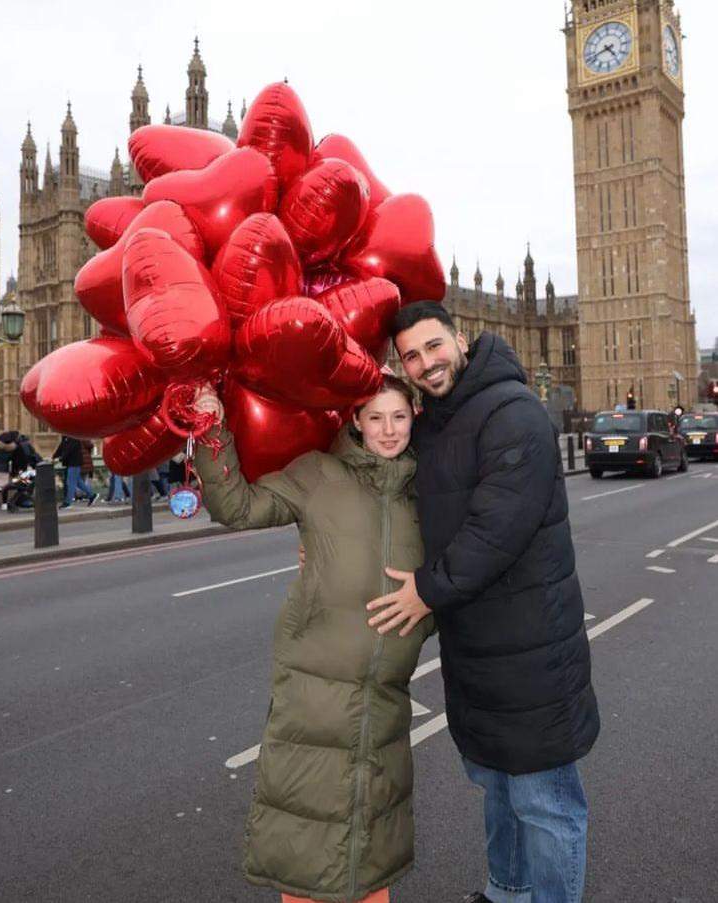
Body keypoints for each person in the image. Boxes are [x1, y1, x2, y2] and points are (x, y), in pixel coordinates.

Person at [367, 302, 599, 903]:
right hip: (477, 644)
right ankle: (506, 891)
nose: (424, 363)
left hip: (531, 648)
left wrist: (426, 589)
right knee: (498, 785)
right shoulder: (440, 418)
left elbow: (496, 531)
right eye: (411, 356)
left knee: (544, 802)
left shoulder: (514, 412)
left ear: (461, 338)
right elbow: (386, 479)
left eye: (433, 347)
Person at [193, 375, 434, 903]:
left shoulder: (428, 490)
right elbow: (238, 507)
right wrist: (211, 427)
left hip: (386, 691)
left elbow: (456, 570)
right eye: (376, 417)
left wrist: (429, 604)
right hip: (316, 686)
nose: (388, 430)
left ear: (415, 417)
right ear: (354, 420)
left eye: (399, 417)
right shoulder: (318, 474)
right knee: (307, 836)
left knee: (372, 842)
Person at [52, 435, 97, 509]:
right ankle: (92, 495)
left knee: (70, 483)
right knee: (78, 483)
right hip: (71, 463)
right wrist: (54, 457)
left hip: (75, 463)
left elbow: (69, 449)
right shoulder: (66, 436)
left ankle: (68, 502)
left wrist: (60, 458)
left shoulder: (73, 436)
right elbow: (61, 447)